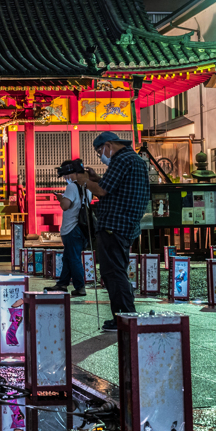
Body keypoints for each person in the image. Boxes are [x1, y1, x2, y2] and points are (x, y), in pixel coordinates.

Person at [81, 132, 150, 332]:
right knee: (116, 271)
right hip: (126, 225)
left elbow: (102, 191)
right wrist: (96, 179)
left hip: (115, 225)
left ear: (108, 145)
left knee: (114, 273)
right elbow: (114, 188)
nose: (100, 155)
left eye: (99, 151)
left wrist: (83, 180)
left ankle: (125, 316)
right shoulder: (133, 159)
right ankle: (123, 315)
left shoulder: (121, 160)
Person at [45, 159, 90, 297]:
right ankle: (62, 283)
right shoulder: (87, 187)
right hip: (81, 228)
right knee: (68, 257)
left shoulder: (72, 187)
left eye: (65, 175)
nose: (65, 178)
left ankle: (80, 286)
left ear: (71, 173)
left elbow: (66, 205)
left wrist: (60, 198)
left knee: (74, 257)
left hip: (72, 227)